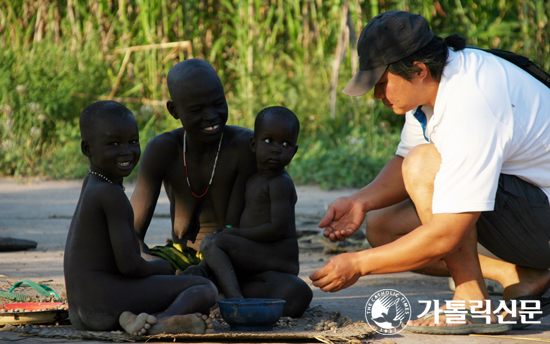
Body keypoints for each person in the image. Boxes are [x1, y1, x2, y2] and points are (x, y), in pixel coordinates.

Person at [309, 10, 550, 334]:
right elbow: (403, 160)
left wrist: (358, 264)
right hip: (531, 210)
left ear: (419, 70)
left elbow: (446, 231)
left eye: (381, 84)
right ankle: (517, 275)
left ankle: (471, 301)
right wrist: (360, 201)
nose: (377, 96)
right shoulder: (432, 86)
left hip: (542, 217)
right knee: (383, 228)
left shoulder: (472, 102)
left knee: (425, 165)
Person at [64, 100, 218, 335]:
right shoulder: (111, 194)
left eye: (132, 142)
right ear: (87, 149)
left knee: (179, 284)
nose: (126, 151)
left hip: (81, 312)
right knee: (203, 288)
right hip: (104, 304)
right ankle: (160, 322)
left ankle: (130, 319)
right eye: (113, 144)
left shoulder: (93, 183)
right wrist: (162, 267)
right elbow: (129, 266)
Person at [130, 59, 257, 269]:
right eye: (197, 110)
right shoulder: (164, 150)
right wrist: (145, 262)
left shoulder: (246, 147)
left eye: (218, 104)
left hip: (235, 265)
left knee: (293, 290)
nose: (211, 116)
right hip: (181, 262)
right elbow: (132, 232)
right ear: (174, 111)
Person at [199, 106, 313, 318]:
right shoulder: (253, 181)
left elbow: (275, 229)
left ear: (294, 151)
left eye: (285, 144)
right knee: (212, 261)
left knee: (210, 243)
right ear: (253, 144)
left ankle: (234, 300)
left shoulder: (281, 183)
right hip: (257, 263)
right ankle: (213, 285)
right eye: (268, 141)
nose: (276, 148)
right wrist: (231, 230)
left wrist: (235, 234)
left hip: (277, 258)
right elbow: (243, 223)